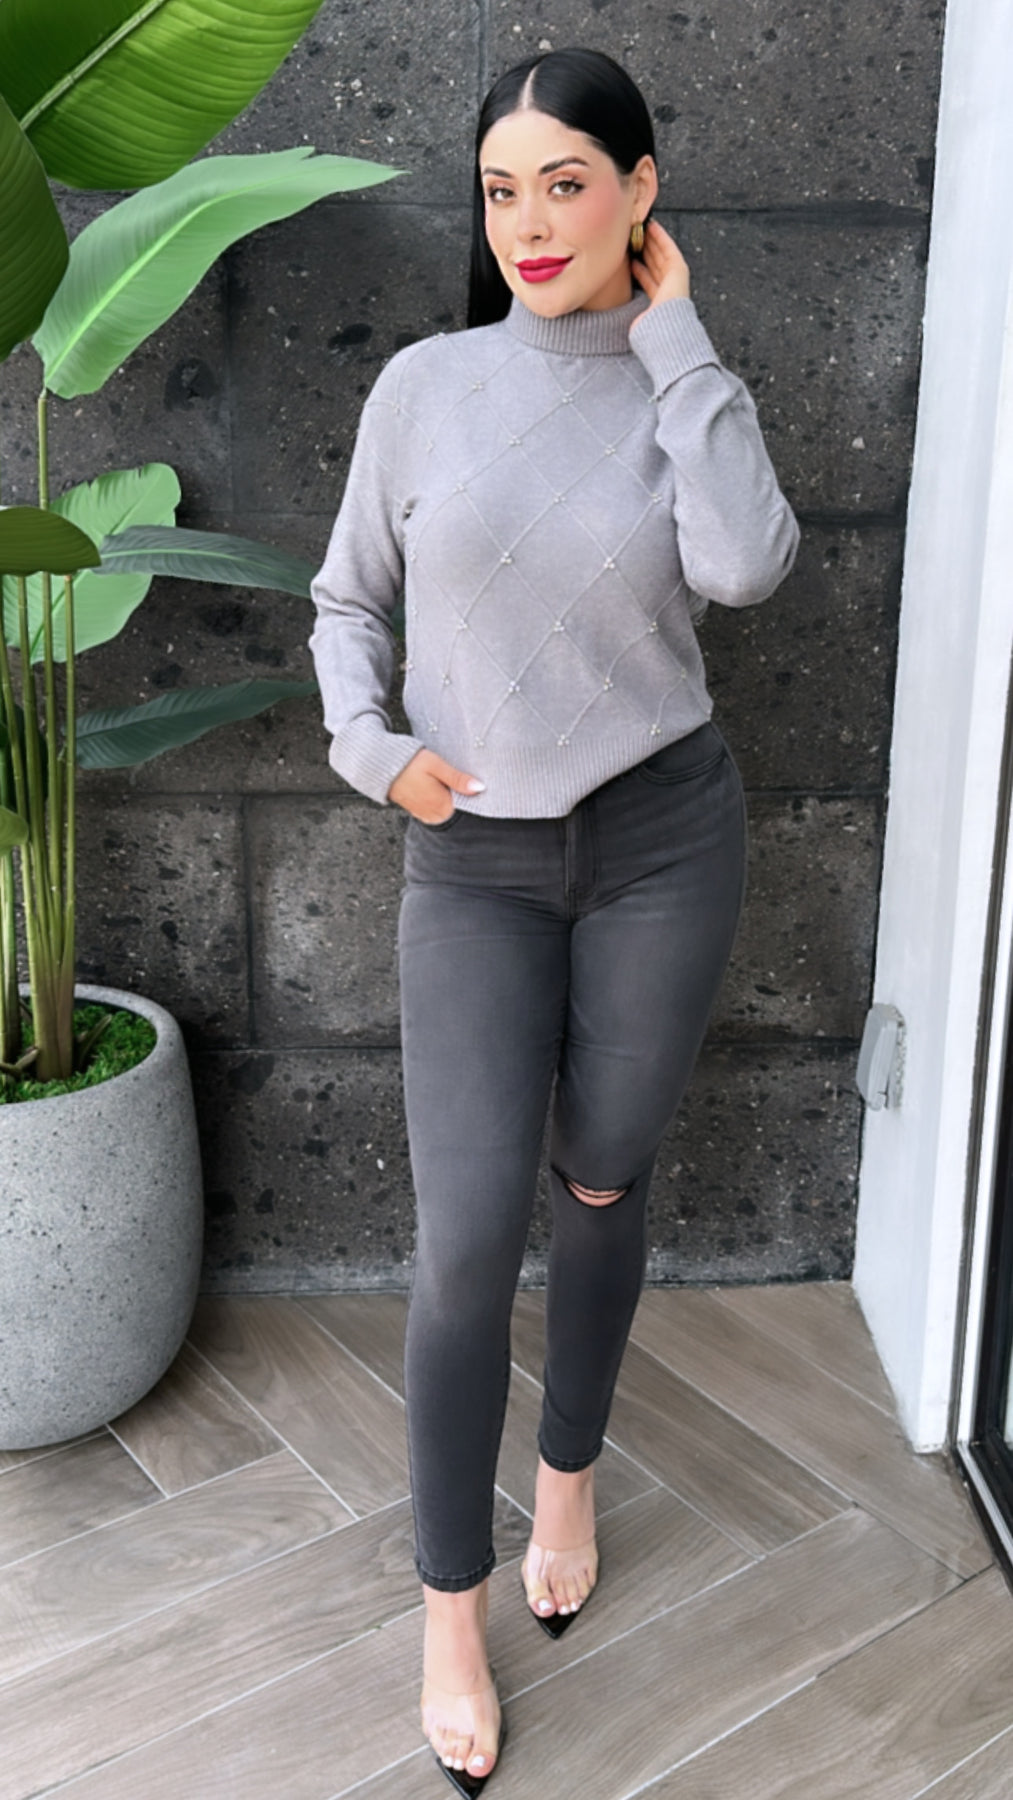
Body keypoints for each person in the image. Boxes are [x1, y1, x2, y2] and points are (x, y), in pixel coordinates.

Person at [309, 45, 799, 1794]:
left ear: (638, 192)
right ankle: (449, 1608)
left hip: (661, 843)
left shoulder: (683, 387)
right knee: (461, 1244)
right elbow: (344, 601)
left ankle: (569, 1477)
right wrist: (374, 753)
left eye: (567, 184)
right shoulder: (426, 387)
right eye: (500, 189)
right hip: (474, 868)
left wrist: (678, 338)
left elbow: (743, 565)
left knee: (599, 1177)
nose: (527, 223)